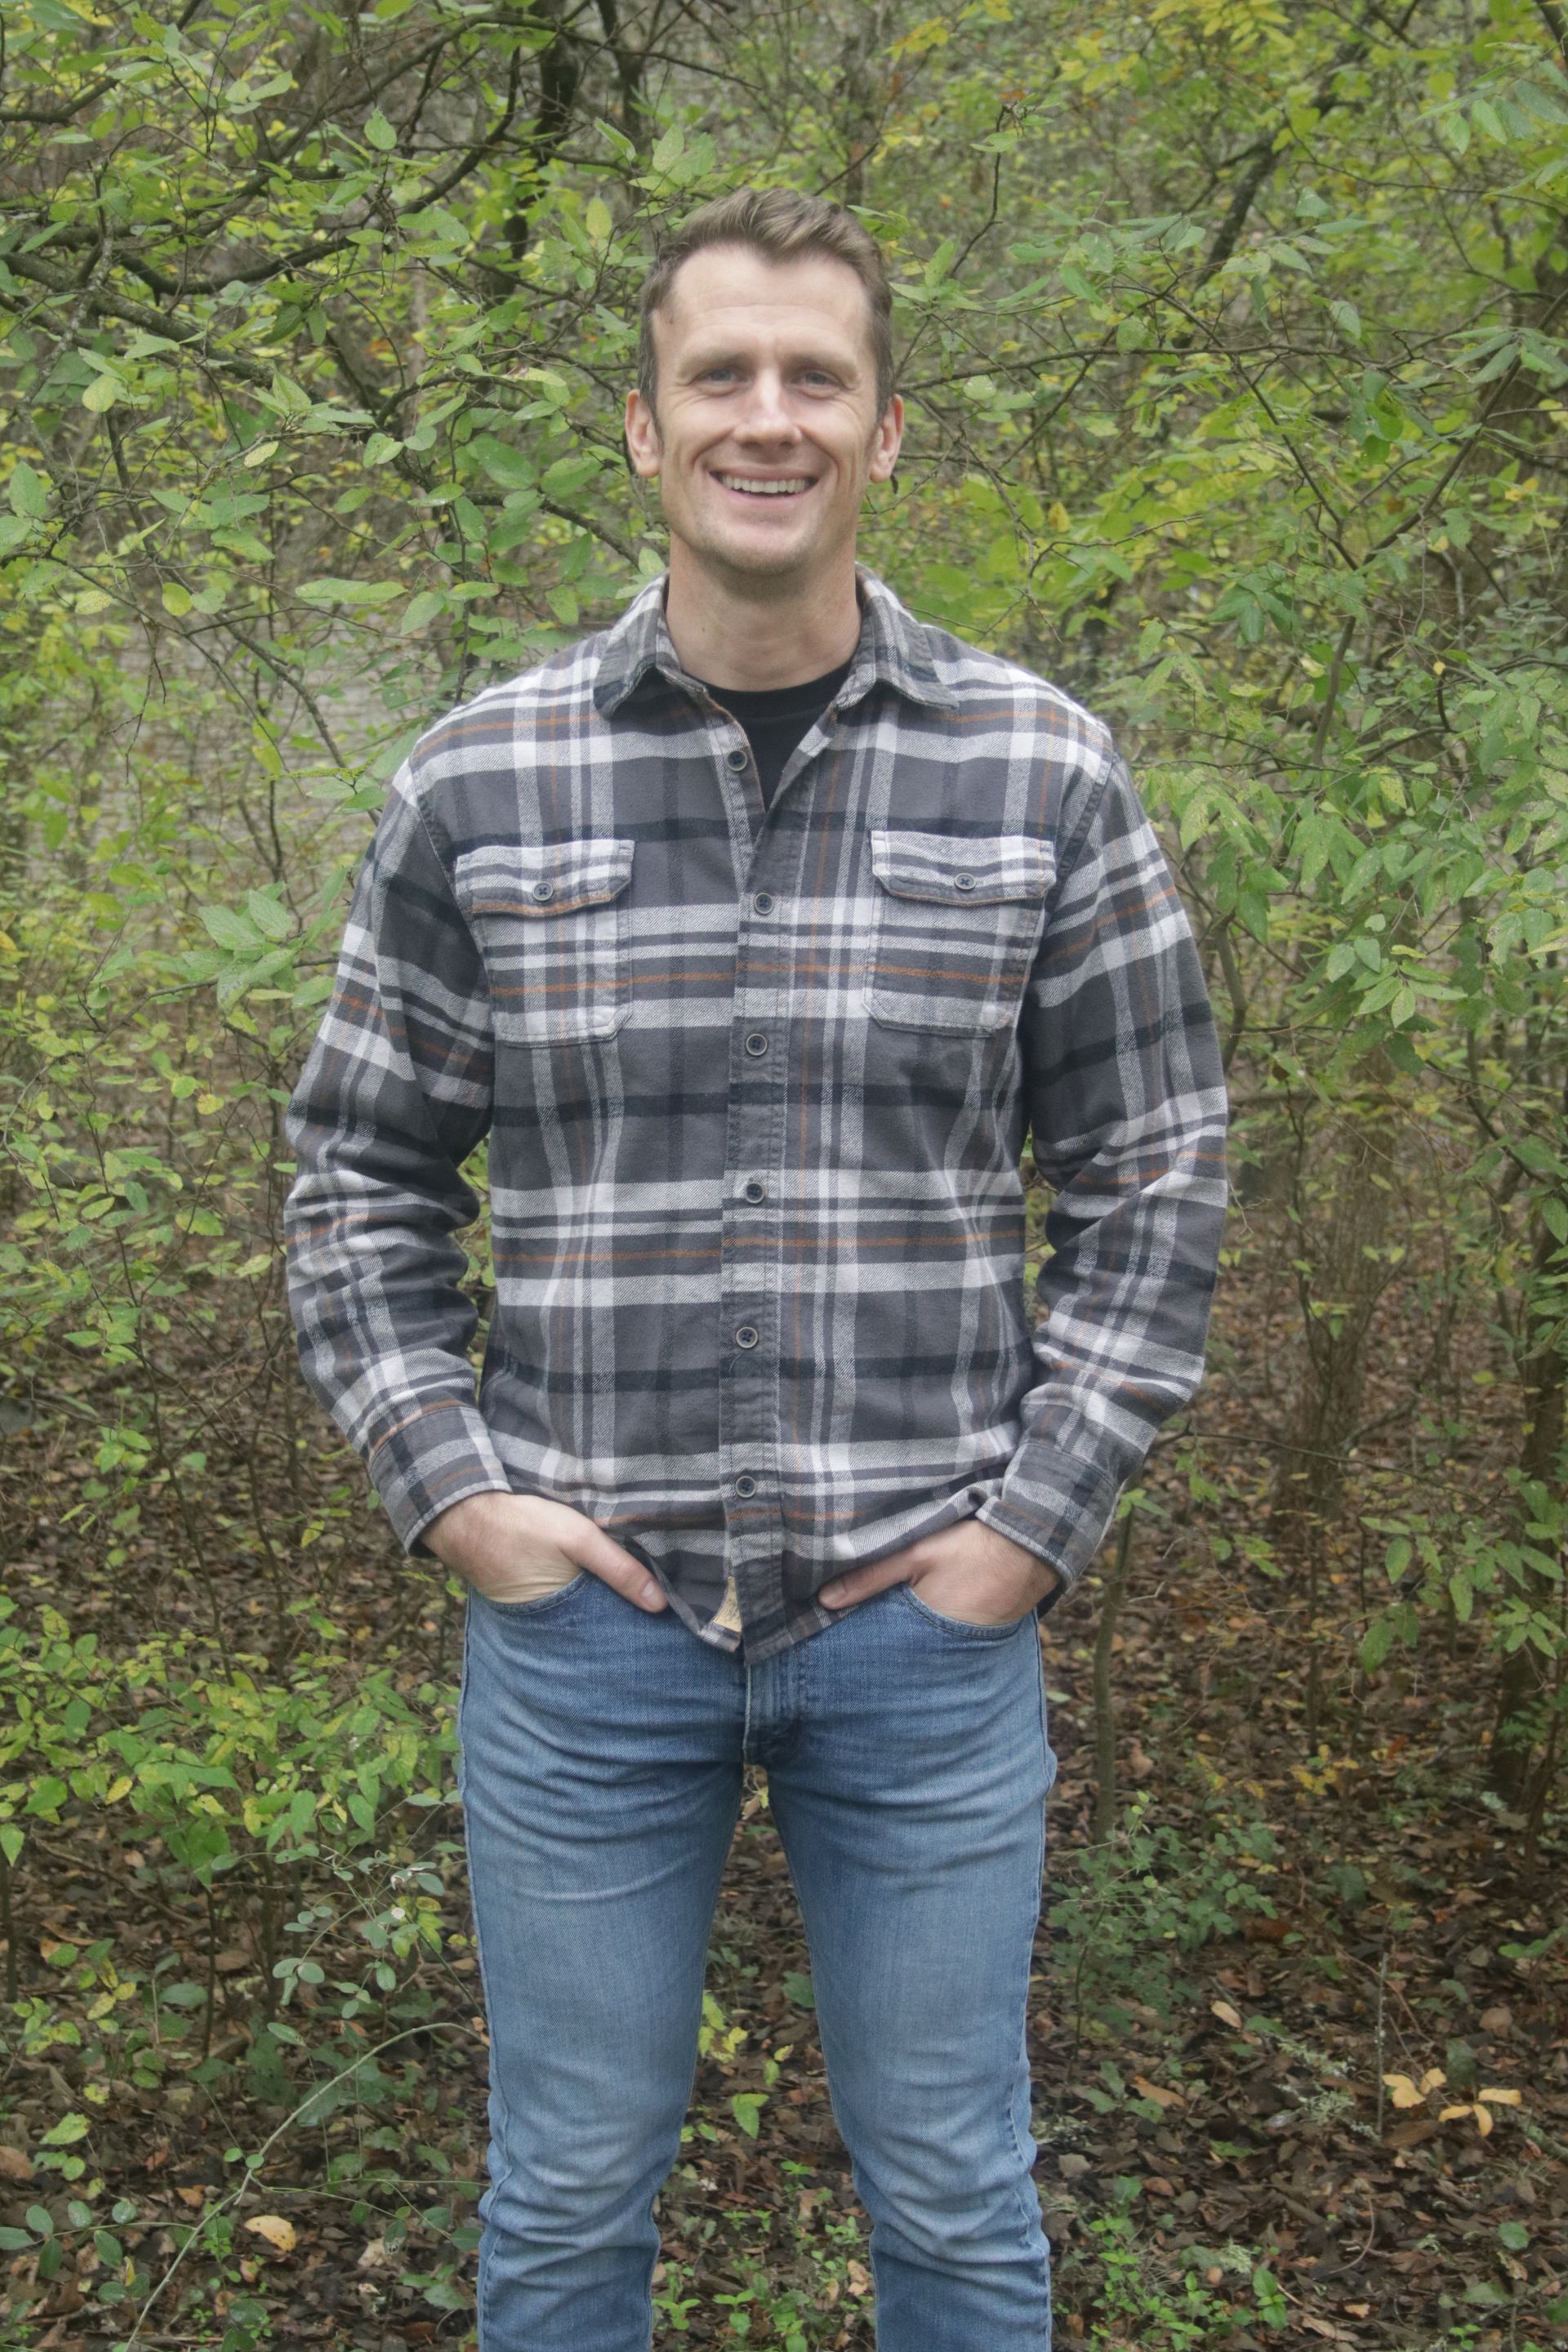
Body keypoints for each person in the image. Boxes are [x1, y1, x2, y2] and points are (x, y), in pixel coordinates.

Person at [283, 185, 1227, 2352]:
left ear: (887, 434)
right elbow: (355, 1175)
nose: (769, 416)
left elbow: (1154, 1179)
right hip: (587, 1643)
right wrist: (451, 1487)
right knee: (564, 2204)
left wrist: (1029, 1532)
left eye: (819, 377)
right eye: (725, 375)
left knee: (965, 2208)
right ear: (643, 426)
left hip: (925, 1627)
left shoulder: (1043, 776)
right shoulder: (480, 783)